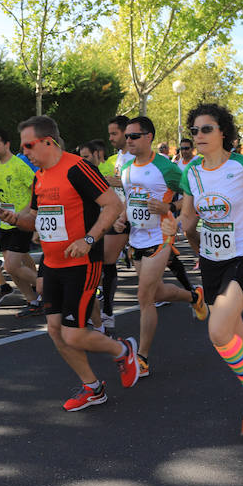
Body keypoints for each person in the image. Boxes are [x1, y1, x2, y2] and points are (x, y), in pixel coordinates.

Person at [0, 115, 138, 411]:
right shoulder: (40, 176)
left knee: (73, 334)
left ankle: (122, 350)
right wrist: (15, 218)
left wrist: (89, 239)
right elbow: (35, 216)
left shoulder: (77, 168)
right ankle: (93, 387)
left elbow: (113, 205)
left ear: (48, 142)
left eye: (29, 146)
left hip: (83, 263)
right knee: (54, 330)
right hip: (52, 264)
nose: (25, 152)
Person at [167, 103, 243, 436]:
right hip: (210, 260)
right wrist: (173, 225)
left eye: (206, 129)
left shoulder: (242, 166)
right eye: (194, 130)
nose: (199, 135)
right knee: (236, 335)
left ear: (223, 133)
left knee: (218, 331)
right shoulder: (191, 171)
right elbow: (189, 217)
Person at [115, 116, 207, 375]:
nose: (128, 140)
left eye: (134, 136)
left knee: (144, 297)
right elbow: (130, 201)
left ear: (148, 137)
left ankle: (141, 358)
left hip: (160, 237)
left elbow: (192, 195)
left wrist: (170, 207)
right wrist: (123, 218)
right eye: (127, 136)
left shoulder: (165, 168)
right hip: (137, 240)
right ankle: (193, 296)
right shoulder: (127, 169)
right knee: (153, 293)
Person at [0, 131, 40, 313]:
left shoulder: (18, 165)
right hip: (5, 222)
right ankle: (33, 301)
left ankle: (51, 289)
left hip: (21, 222)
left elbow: (36, 188)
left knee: (11, 265)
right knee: (12, 269)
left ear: (7, 145)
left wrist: (26, 213)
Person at [100, 115, 135, 336]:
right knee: (107, 261)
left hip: (143, 217)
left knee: (156, 288)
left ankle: (191, 294)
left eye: (114, 133)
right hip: (121, 216)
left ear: (125, 132)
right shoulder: (119, 157)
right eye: (110, 133)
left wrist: (120, 181)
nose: (111, 138)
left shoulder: (136, 155)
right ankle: (107, 313)